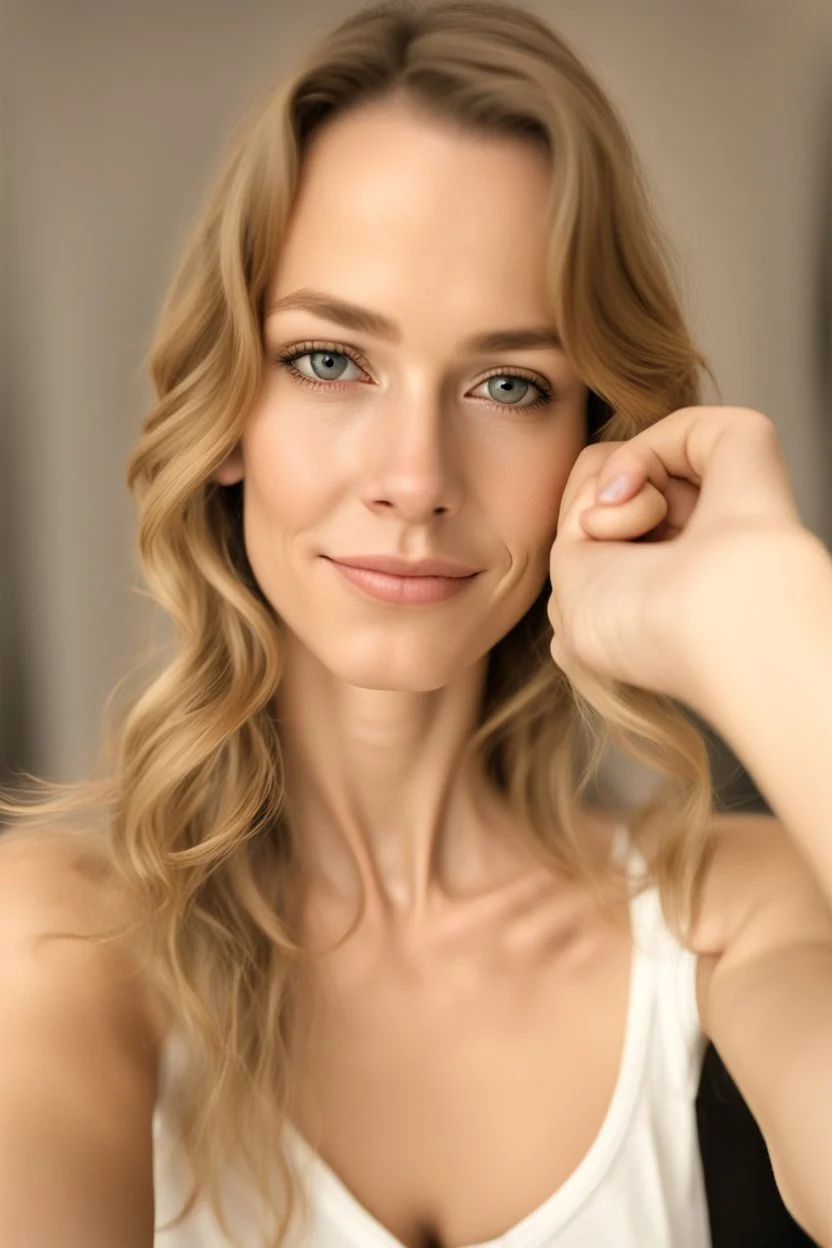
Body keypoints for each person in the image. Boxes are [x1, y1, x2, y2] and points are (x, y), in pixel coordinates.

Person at [1, 1, 831, 1246]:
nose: (414, 474)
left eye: (509, 384)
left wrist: (768, 609)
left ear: (595, 444)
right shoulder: (63, 936)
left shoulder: (733, 914)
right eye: (332, 359)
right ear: (228, 413)